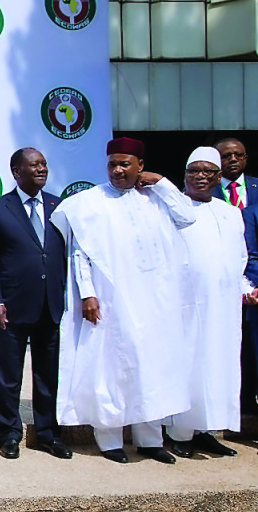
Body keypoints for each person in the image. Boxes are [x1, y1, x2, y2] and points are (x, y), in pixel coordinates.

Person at [50, 136, 195, 463]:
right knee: (112, 367)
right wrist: (87, 293)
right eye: (112, 164)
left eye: (124, 164)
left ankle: (149, 439)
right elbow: (80, 252)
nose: (117, 170)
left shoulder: (155, 198)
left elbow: (188, 217)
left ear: (140, 167)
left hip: (152, 302)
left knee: (151, 368)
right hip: (110, 301)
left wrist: (162, 183)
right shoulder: (90, 202)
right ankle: (110, 439)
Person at [0, 148, 72, 460]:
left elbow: (61, 255)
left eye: (44, 164)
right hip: (12, 305)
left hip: (49, 304)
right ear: (16, 172)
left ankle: (48, 433)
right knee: (8, 374)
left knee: (48, 374)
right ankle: (9, 433)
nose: (41, 169)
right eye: (34, 165)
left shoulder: (58, 206)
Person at [172, 147, 249, 457]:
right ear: (185, 175)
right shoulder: (173, 208)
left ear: (219, 177)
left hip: (222, 306)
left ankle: (206, 430)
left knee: (218, 364)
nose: (200, 177)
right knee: (188, 365)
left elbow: (240, 256)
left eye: (207, 172)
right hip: (185, 306)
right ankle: (179, 433)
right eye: (194, 171)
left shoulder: (230, 213)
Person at [215, 136, 258, 415]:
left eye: (238, 155)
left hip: (254, 286)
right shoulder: (198, 190)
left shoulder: (257, 188)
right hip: (219, 280)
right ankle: (232, 406)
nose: (233, 159)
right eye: (226, 156)